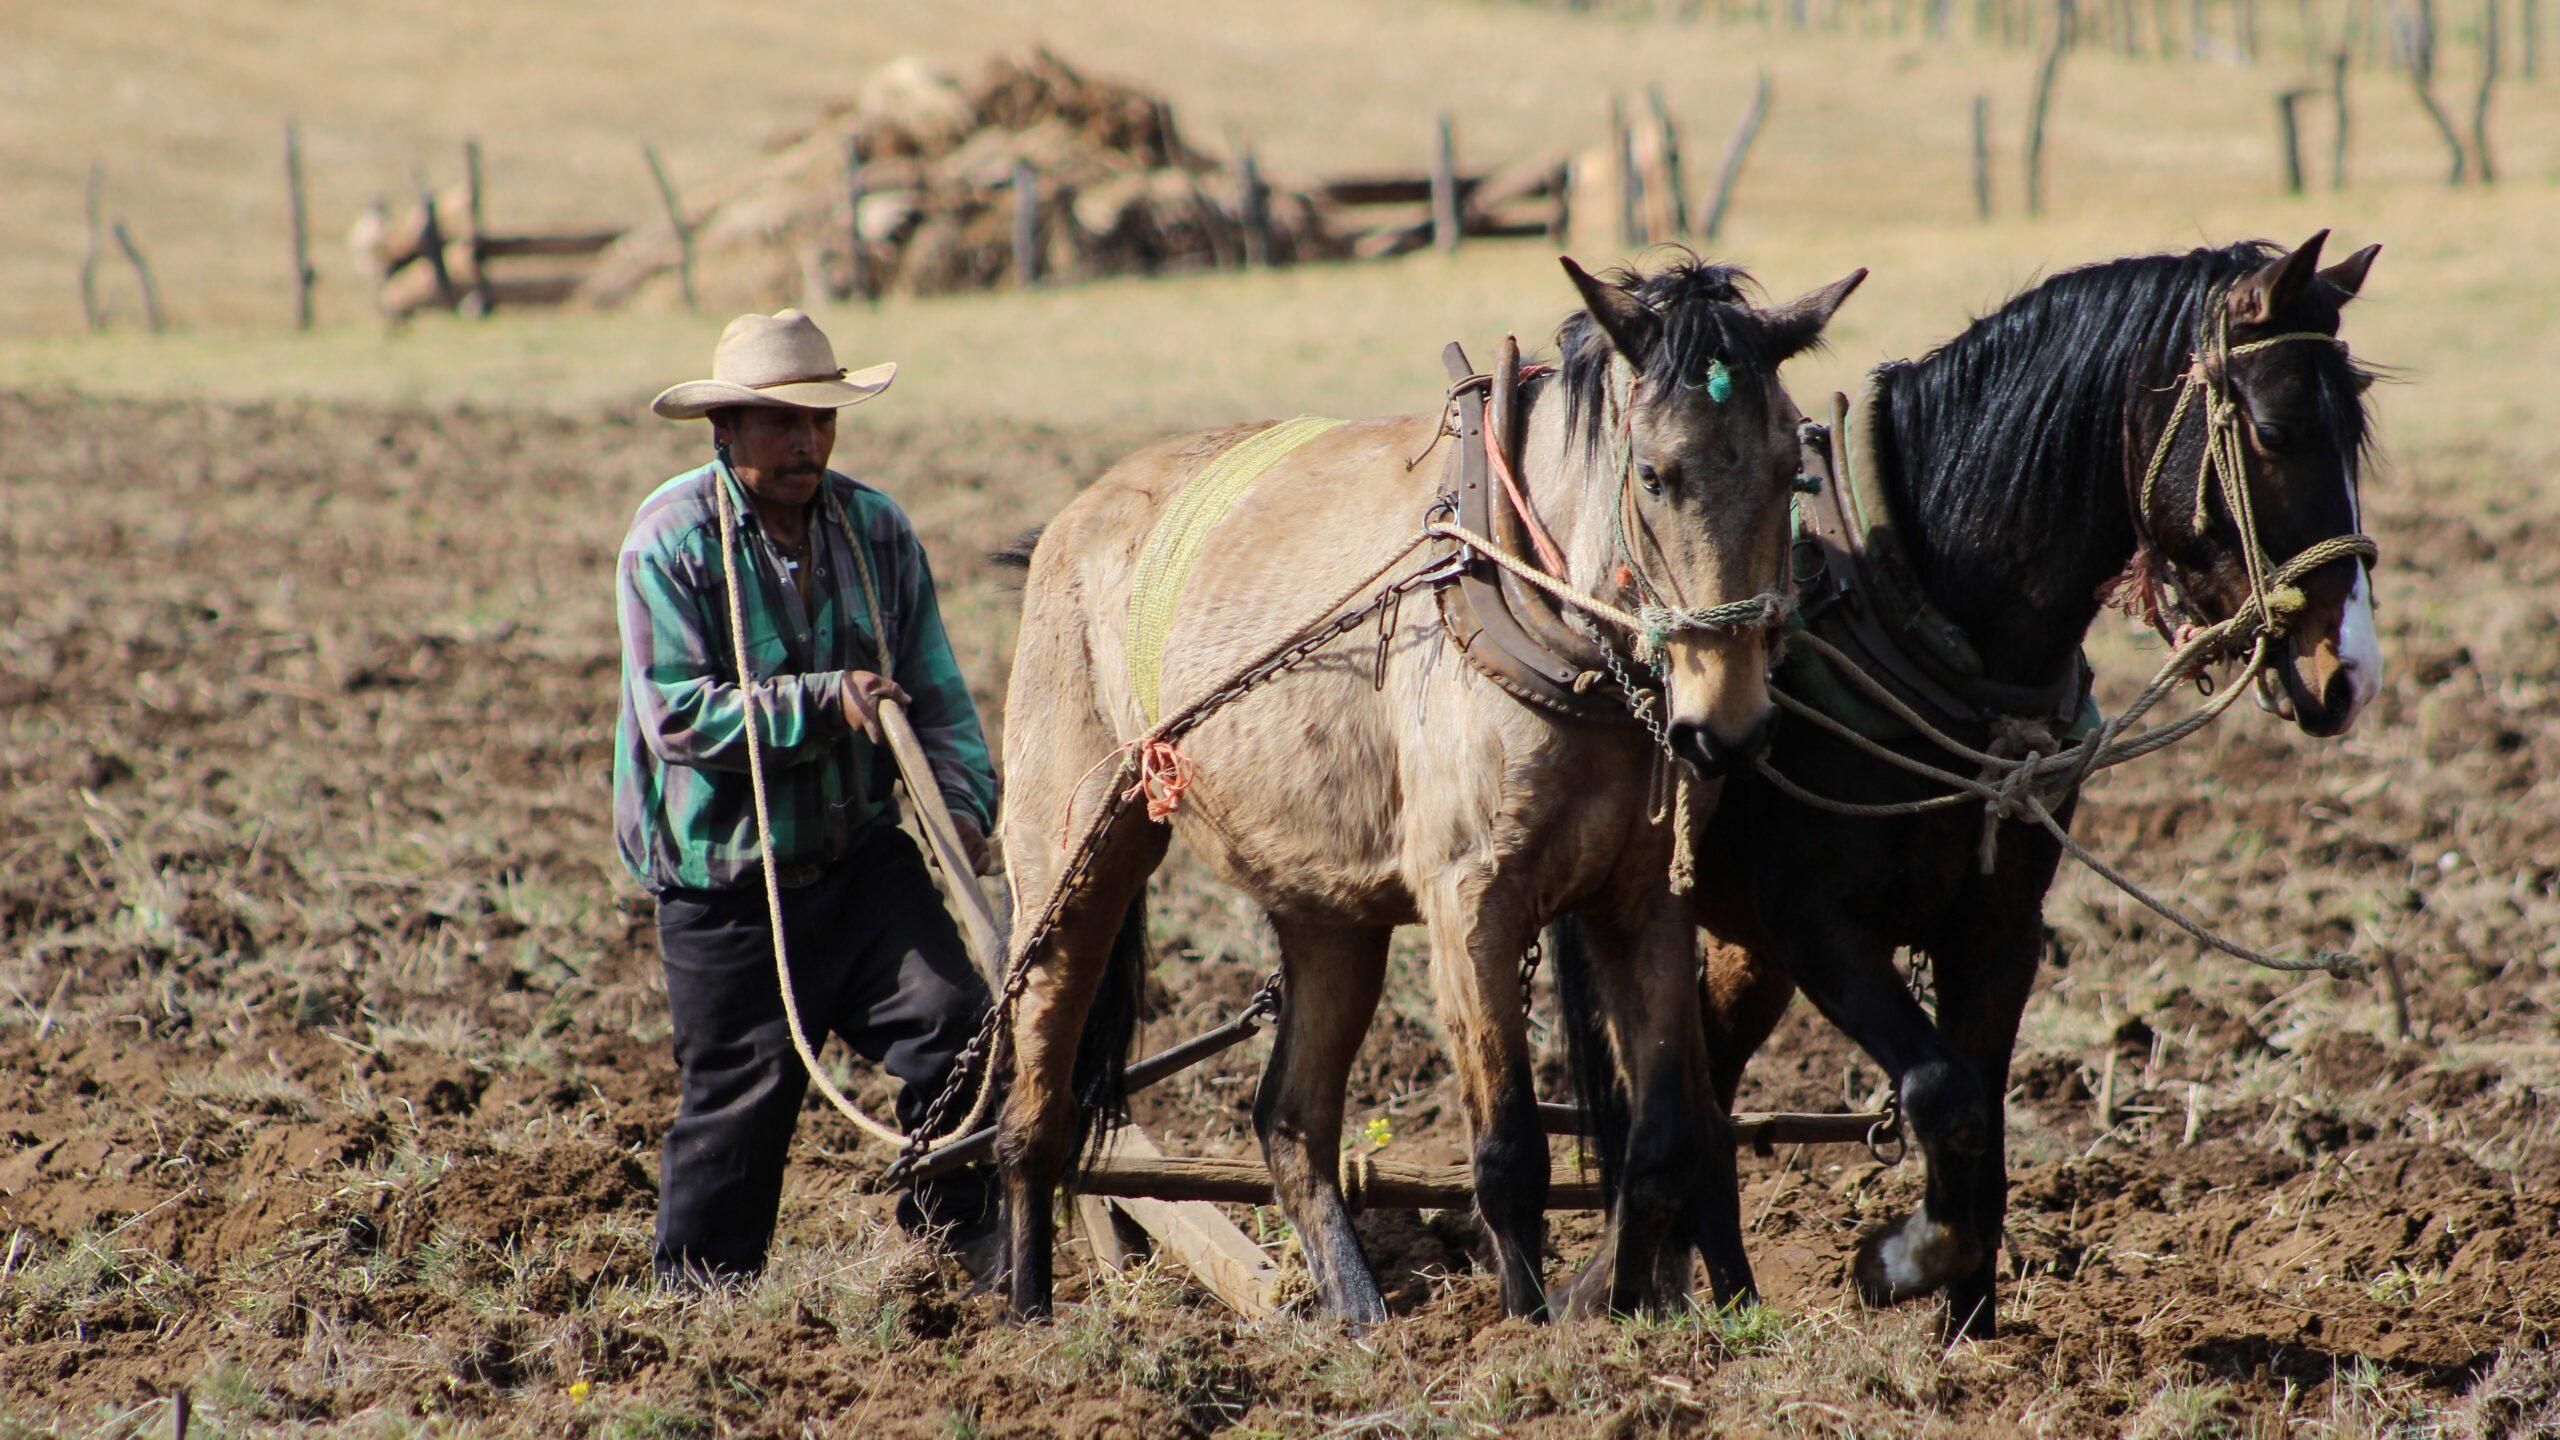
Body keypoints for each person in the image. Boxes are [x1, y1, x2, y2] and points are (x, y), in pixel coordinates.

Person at [614, 308, 1002, 1286]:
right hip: (727, 882)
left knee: (959, 1028)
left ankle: (957, 1255)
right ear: (726, 429)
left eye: (821, 420)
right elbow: (679, 719)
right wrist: (825, 703)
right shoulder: (670, 543)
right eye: (782, 422)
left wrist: (963, 805)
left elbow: (940, 692)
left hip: (862, 856)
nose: (807, 443)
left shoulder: (875, 532)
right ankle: (700, 1309)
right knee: (740, 1104)